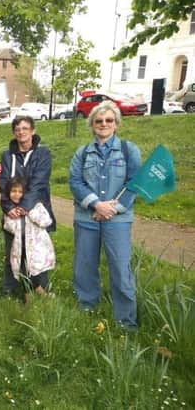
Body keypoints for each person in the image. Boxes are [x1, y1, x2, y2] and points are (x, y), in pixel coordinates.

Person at [69, 101, 141, 330]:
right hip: (87, 218)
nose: (104, 124)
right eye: (99, 121)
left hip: (117, 221)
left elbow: (135, 184)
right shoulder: (82, 153)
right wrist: (96, 205)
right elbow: (75, 182)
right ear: (92, 125)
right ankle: (86, 308)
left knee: (120, 268)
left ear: (116, 124)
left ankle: (126, 321)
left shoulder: (129, 150)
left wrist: (111, 209)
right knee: (84, 265)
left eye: (109, 120)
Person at [0, 115, 56, 297]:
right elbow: (3, 183)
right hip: (13, 211)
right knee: (12, 250)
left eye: (25, 128)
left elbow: (39, 182)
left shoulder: (43, 154)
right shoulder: (7, 156)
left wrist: (24, 206)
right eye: (17, 129)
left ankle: (38, 288)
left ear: (32, 131)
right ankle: (11, 288)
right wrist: (9, 207)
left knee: (36, 250)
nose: (21, 132)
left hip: (35, 209)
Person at [3, 176, 55, 303]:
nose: (17, 195)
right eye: (13, 191)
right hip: (20, 248)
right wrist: (14, 215)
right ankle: (29, 298)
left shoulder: (36, 206)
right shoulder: (10, 210)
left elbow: (46, 221)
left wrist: (29, 213)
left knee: (36, 271)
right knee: (23, 271)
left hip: (37, 247)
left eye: (20, 192)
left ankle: (40, 292)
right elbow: (8, 227)